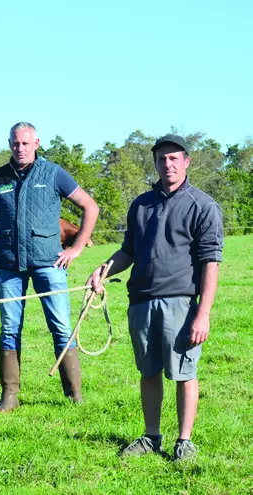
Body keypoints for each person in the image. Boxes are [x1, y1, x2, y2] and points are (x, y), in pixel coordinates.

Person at [86, 134, 223, 462]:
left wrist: (203, 314)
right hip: (141, 302)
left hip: (180, 302)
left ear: (186, 162)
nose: (168, 164)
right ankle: (151, 437)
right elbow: (128, 251)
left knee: (184, 373)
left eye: (174, 158)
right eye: (162, 159)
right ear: (156, 164)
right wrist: (101, 271)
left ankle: (185, 441)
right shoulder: (141, 204)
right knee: (148, 373)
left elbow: (211, 263)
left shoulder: (202, 205)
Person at [0, 122, 99, 413]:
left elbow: (90, 207)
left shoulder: (54, 173)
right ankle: (9, 396)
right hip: (8, 265)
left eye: (26, 143)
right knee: (9, 328)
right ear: (9, 144)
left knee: (62, 327)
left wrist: (76, 247)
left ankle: (74, 394)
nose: (20, 148)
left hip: (48, 264)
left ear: (37, 143)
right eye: (15, 143)